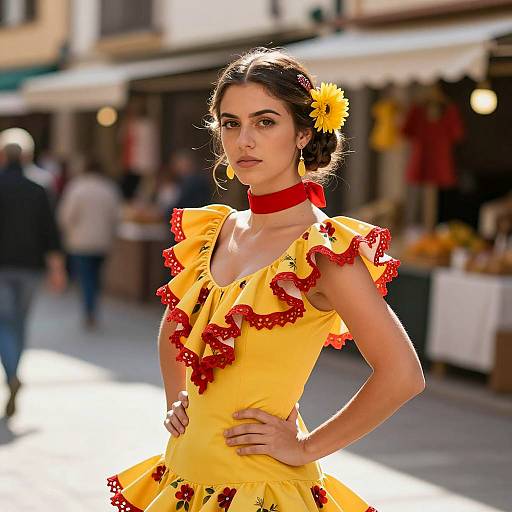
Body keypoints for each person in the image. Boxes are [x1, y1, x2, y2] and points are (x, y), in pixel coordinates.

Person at [106, 47, 425, 512]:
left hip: (262, 492)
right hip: (182, 480)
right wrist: (178, 398)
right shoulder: (215, 231)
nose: (244, 140)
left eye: (265, 122)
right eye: (231, 123)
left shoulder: (323, 250)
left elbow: (403, 375)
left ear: (302, 133)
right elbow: (175, 329)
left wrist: (306, 447)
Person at [0, 143, 67, 418]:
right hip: (30, 267)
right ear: (26, 156)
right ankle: (15, 372)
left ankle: (12, 374)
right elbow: (50, 230)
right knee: (19, 322)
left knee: (4, 323)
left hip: (2, 267)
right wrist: (57, 268)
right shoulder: (39, 187)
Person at [57, 159, 121, 329]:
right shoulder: (109, 188)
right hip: (102, 241)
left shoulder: (77, 187)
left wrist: (67, 232)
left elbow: (66, 216)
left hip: (80, 241)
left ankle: (89, 309)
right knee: (96, 275)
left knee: (85, 277)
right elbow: (116, 216)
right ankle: (92, 307)